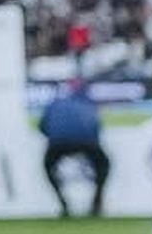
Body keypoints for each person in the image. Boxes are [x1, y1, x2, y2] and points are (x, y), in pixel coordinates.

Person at [38, 80, 109, 218]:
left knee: (48, 167)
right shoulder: (87, 104)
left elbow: (42, 127)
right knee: (104, 165)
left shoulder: (55, 103)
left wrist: (56, 137)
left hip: (58, 143)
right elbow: (96, 128)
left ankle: (63, 205)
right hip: (87, 142)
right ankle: (96, 204)